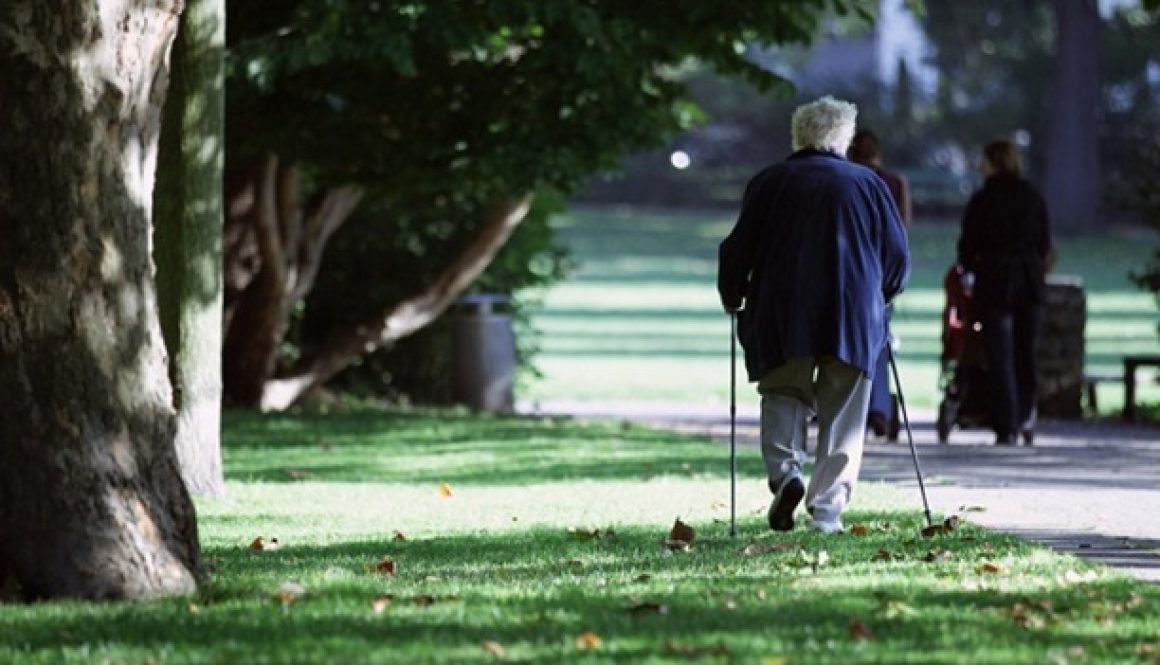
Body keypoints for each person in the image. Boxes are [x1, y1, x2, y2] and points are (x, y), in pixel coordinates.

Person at [717, 96, 911, 534]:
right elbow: (897, 256)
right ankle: (826, 512)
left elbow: (737, 249)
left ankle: (786, 474)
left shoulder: (769, 182)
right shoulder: (869, 184)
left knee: (784, 393)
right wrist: (885, 295)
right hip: (853, 313)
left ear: (797, 135)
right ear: (844, 137)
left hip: (784, 311)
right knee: (843, 411)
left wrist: (733, 295)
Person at [957, 139, 1052, 445]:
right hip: (1029, 280)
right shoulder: (1032, 197)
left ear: (994, 162)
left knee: (1000, 356)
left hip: (994, 280)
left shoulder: (983, 200)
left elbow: (968, 243)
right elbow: (1044, 243)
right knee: (1026, 352)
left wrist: (968, 269)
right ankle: (1025, 414)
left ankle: (1006, 424)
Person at [847, 129, 912, 439]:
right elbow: (902, 227)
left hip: (849, 270)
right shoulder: (894, 183)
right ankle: (880, 406)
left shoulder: (845, 180)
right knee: (879, 340)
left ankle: (849, 406)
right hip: (881, 272)